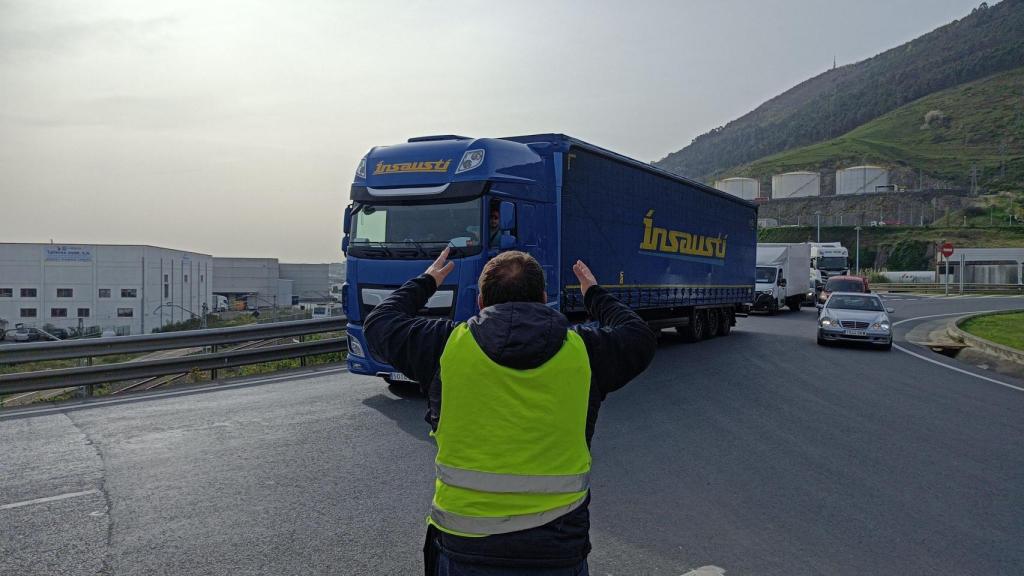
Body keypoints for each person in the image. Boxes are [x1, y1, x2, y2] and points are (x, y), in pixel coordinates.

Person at [364, 248, 657, 575]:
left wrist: (428, 280)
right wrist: (594, 294)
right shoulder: (585, 352)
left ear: (480, 302)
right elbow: (638, 335)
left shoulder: (445, 347)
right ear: (544, 298)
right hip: (556, 548)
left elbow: (379, 323)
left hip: (466, 546)